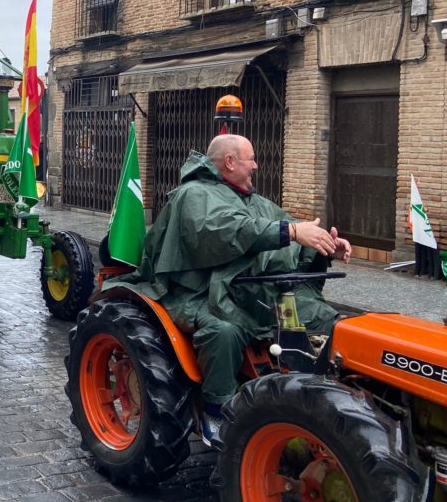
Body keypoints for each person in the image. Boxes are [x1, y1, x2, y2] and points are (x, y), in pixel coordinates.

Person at [104, 134, 351, 445]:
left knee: (323, 319)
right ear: (230, 162)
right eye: (252, 159)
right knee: (224, 332)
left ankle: (326, 397)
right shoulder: (193, 195)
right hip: (196, 293)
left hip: (250, 292)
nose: (256, 166)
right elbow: (221, 232)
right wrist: (290, 231)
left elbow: (289, 237)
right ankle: (216, 410)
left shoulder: (254, 201)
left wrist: (324, 247)